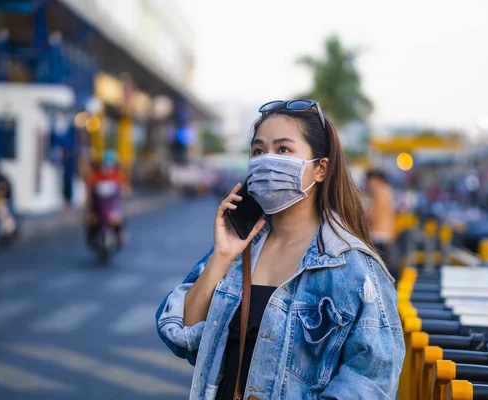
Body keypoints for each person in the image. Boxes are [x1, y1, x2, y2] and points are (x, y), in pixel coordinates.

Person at [156, 100, 404, 399]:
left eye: (284, 150)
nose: (267, 161)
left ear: (320, 169)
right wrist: (221, 257)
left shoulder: (352, 268)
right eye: (259, 151)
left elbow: (371, 382)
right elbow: (184, 337)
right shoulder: (239, 250)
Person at [85, 150, 128, 247]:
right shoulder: (96, 176)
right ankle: (91, 237)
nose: (108, 168)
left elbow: (124, 189)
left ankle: (120, 235)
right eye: (106, 165)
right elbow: (90, 187)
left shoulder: (118, 176)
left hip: (112, 205)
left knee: (119, 218)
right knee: (91, 219)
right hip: (98, 205)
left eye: (110, 165)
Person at [365, 169, 397, 279]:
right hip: (386, 235)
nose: (367, 186)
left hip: (379, 236)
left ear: (374, 180)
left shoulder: (380, 193)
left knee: (379, 274)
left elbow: (374, 216)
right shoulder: (387, 191)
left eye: (368, 182)